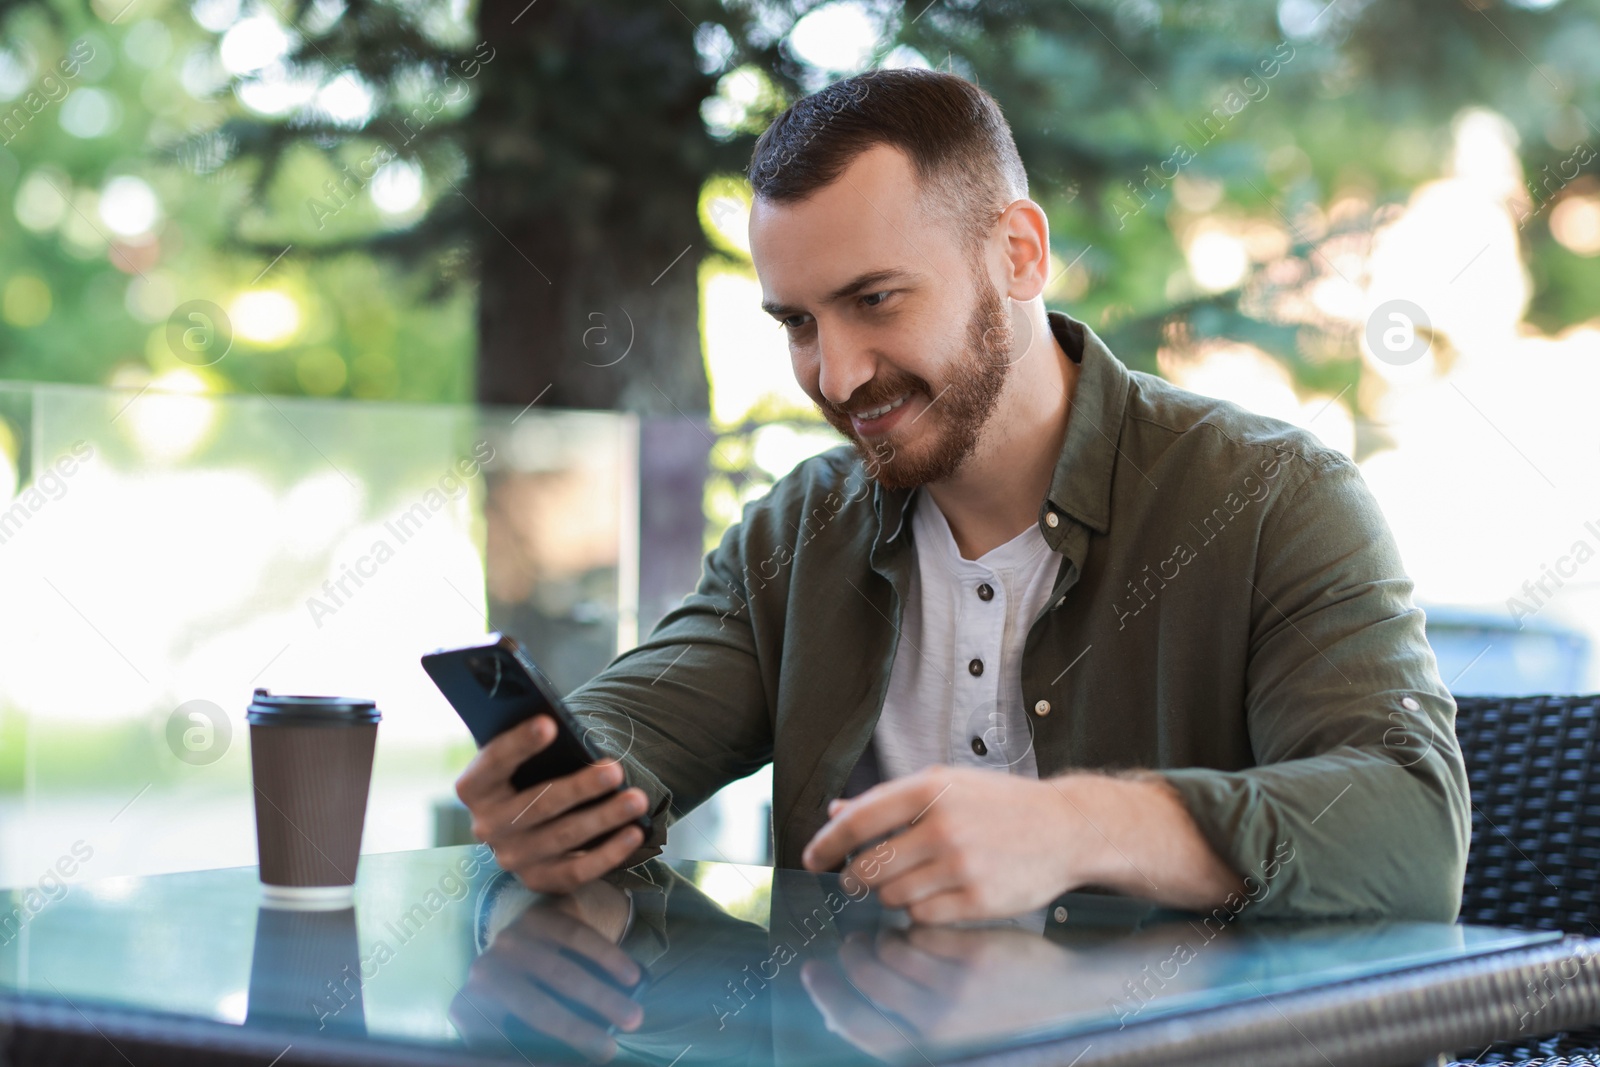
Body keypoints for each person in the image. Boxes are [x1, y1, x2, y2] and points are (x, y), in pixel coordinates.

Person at [453, 67, 1470, 926]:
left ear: (1017, 254)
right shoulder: (801, 527)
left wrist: (1075, 827)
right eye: (798, 323)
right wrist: (555, 803)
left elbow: (1412, 834)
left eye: (874, 300)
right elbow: (629, 729)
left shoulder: (1273, 497)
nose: (838, 374)